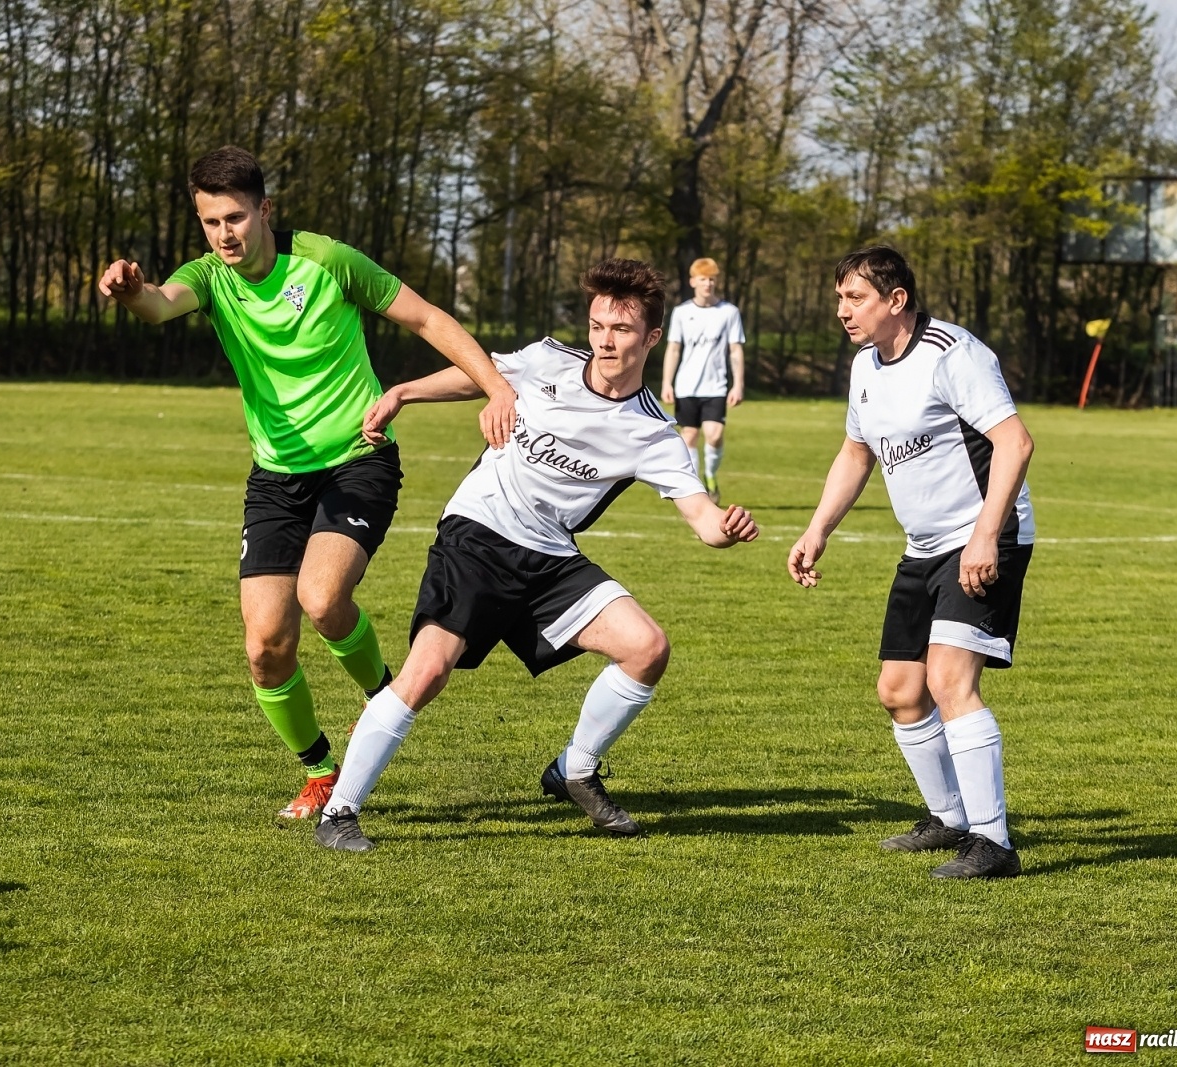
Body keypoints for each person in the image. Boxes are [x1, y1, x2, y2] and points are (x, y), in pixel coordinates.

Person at [98, 146, 516, 820]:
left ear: (265, 209)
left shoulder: (327, 261)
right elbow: (159, 303)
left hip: (358, 459)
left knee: (322, 599)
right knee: (265, 646)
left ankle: (382, 694)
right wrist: (128, 292)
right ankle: (322, 770)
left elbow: (427, 318)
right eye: (210, 222)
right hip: (275, 477)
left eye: (235, 217)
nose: (224, 234)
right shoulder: (210, 277)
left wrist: (496, 386)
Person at [314, 258, 759, 852]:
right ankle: (340, 812)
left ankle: (575, 768)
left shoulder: (652, 432)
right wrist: (404, 392)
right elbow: (481, 374)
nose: (604, 339)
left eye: (621, 330)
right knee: (426, 672)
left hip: (549, 557)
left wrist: (726, 528)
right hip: (477, 535)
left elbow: (703, 519)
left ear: (652, 338)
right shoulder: (549, 359)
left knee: (646, 647)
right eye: (598, 324)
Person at [787, 245, 1035, 880]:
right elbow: (855, 454)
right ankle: (949, 817)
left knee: (951, 682)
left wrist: (984, 537)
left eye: (856, 298)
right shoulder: (865, 366)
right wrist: (817, 529)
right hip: (921, 547)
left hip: (981, 538)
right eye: (840, 297)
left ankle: (993, 843)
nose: (842, 309)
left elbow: (1014, 442)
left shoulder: (953, 354)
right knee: (900, 693)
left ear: (896, 301)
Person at [660, 257, 745, 501]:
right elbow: (674, 349)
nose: (707, 284)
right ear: (693, 281)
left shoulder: (729, 312)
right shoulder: (681, 312)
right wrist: (667, 382)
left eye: (711, 279)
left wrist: (738, 384)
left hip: (715, 386)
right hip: (686, 387)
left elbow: (735, 350)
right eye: (703, 279)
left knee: (715, 434)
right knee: (689, 436)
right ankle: (698, 490)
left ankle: (710, 474)